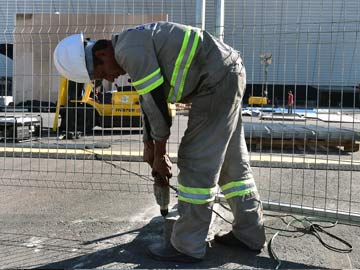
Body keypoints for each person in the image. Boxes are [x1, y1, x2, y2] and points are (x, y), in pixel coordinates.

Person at [53, 21, 266, 263]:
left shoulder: (128, 51)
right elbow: (149, 100)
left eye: (103, 74)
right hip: (225, 74)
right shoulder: (130, 43)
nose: (110, 79)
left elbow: (158, 106)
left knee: (195, 159)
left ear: (101, 54)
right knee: (232, 164)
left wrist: (160, 154)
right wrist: (149, 146)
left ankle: (187, 245)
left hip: (215, 81)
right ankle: (250, 233)